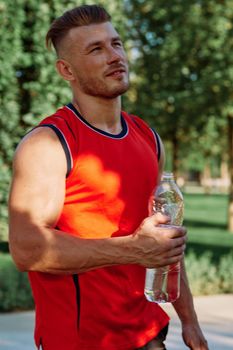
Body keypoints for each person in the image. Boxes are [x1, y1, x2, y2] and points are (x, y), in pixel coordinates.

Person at [8, 4, 208, 350]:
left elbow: (164, 244)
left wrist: (189, 321)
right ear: (66, 70)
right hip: (82, 342)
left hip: (149, 335)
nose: (114, 56)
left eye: (115, 44)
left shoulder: (147, 136)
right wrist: (132, 250)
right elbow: (27, 250)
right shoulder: (50, 144)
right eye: (96, 49)